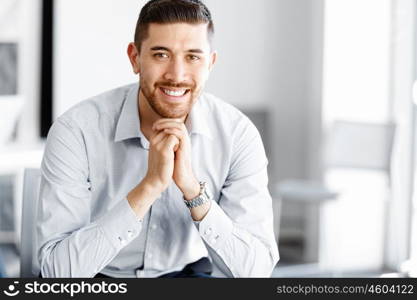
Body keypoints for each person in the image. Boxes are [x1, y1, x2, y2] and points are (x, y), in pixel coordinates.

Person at [37, 0, 279, 278]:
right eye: (161, 54)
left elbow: (256, 273)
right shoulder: (76, 130)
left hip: (188, 274)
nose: (176, 75)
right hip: (100, 278)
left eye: (193, 57)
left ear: (210, 63)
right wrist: (149, 187)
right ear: (135, 58)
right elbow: (56, 273)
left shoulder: (238, 135)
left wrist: (193, 192)